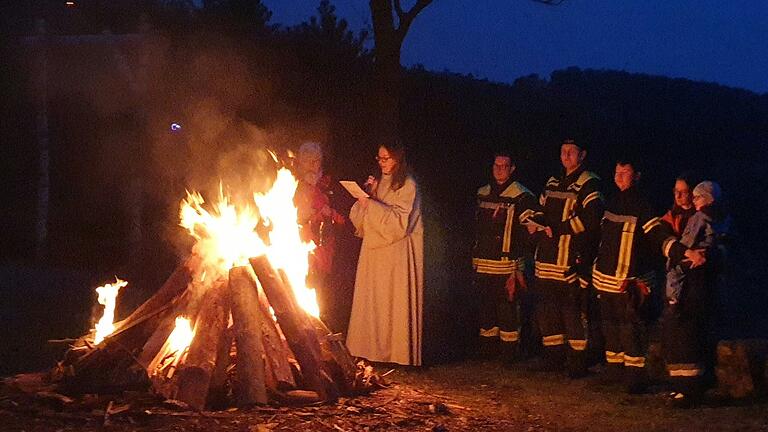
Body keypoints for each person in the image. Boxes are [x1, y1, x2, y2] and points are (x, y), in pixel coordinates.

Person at [591, 158, 705, 394]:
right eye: (617, 172)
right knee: (611, 327)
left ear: (637, 176)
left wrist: (683, 252)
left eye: (626, 172)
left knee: (630, 329)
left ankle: (635, 377)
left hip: (630, 281)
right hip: (605, 278)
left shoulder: (643, 205)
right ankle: (615, 371)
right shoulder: (612, 201)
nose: (620, 176)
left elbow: (658, 237)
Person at [529, 138, 604, 377]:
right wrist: (535, 223)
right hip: (546, 258)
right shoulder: (553, 181)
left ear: (582, 155)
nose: (566, 156)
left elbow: (591, 219)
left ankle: (577, 362)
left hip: (569, 259)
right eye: (563, 152)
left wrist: (559, 228)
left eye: (571, 152)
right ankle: (553, 357)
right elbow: (540, 209)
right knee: (547, 310)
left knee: (572, 311)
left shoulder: (589, 183)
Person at [346, 140, 424, 366]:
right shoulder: (378, 182)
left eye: (386, 158)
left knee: (392, 304)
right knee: (372, 301)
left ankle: (394, 354)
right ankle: (369, 350)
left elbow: (400, 223)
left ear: (398, 158)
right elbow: (360, 219)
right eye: (379, 158)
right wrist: (365, 196)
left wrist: (370, 203)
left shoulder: (408, 185)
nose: (381, 163)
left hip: (394, 255)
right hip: (373, 253)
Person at [662, 181, 731, 407]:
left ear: (708, 199)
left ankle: (685, 389)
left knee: (684, 334)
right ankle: (696, 385)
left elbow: (686, 246)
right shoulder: (724, 219)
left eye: (698, 197)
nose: (693, 200)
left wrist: (680, 257)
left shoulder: (698, 219)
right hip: (708, 284)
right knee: (695, 332)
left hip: (691, 282)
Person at [472, 151, 537, 364]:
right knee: (485, 308)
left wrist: (519, 262)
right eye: (496, 165)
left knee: (508, 310)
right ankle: (487, 349)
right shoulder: (483, 192)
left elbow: (530, 232)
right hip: (483, 263)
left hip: (507, 265)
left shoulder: (522, 195)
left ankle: (510, 353)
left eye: (504, 166)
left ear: (512, 169)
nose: (499, 169)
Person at [294, 142, 346, 331]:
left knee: (326, 290)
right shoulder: (295, 186)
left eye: (316, 161)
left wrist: (330, 214)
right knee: (310, 286)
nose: (313, 165)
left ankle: (326, 330)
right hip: (306, 245)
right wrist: (315, 214)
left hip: (326, 246)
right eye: (308, 161)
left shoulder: (326, 185)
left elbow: (342, 218)